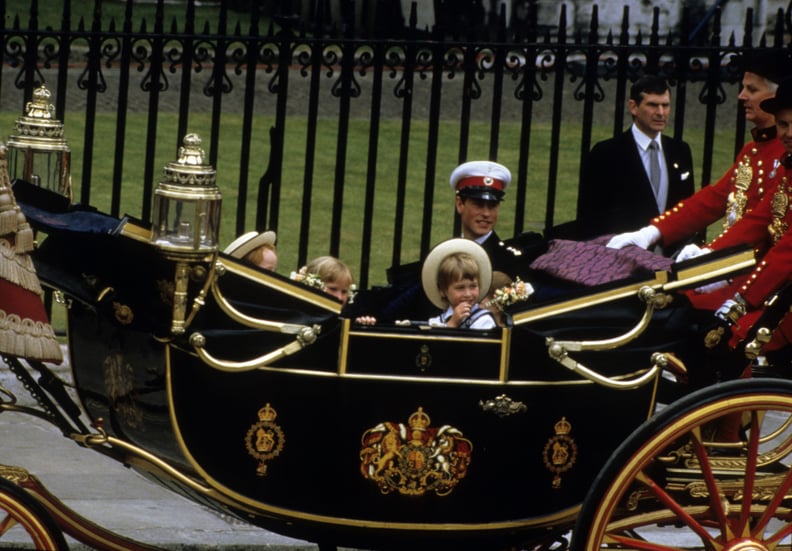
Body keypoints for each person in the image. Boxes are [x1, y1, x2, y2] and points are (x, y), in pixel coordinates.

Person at [607, 49, 792, 255]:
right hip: (737, 260)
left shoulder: (783, 154)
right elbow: (712, 200)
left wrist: (712, 252)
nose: (741, 96)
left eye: (752, 89)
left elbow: (759, 220)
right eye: (742, 88)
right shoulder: (752, 151)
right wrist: (654, 231)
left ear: (777, 96)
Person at [576, 75, 695, 247]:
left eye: (665, 105)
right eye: (653, 105)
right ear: (633, 107)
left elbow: (687, 210)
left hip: (671, 259)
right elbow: (590, 218)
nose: (661, 113)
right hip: (623, 258)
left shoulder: (680, 151)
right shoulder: (606, 153)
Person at [421, 238, 496, 329]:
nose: (468, 294)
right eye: (460, 288)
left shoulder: (483, 320)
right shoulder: (436, 322)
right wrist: (452, 324)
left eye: (473, 286)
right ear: (443, 290)